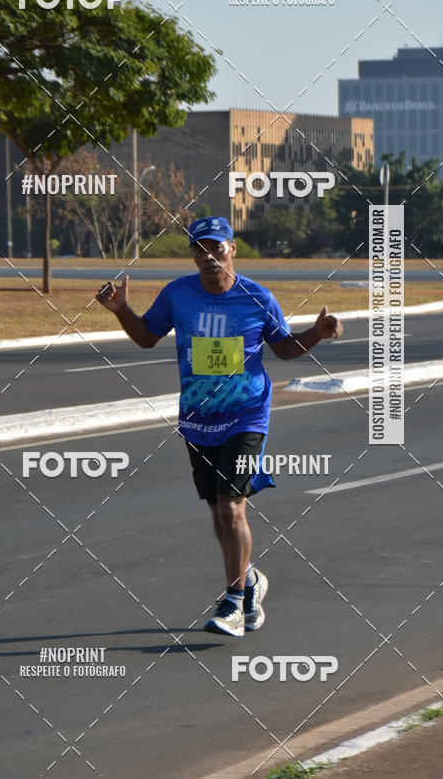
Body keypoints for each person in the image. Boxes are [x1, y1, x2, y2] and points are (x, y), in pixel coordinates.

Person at [96, 216, 343, 637]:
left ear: (233, 249)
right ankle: (249, 582)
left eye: (216, 248)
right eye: (199, 249)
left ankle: (232, 602)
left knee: (232, 507)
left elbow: (283, 348)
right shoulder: (178, 295)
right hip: (198, 420)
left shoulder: (257, 298)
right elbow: (146, 337)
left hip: (246, 416)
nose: (208, 257)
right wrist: (122, 311)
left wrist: (315, 334)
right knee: (218, 512)